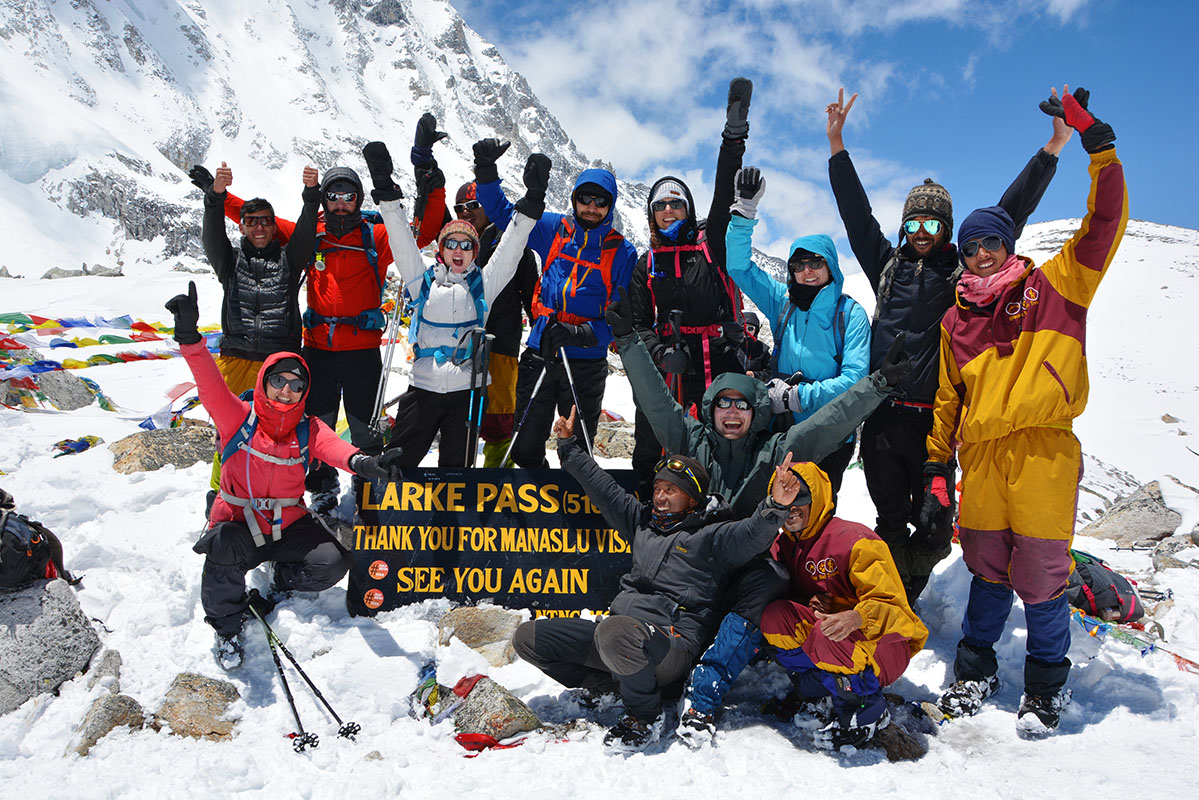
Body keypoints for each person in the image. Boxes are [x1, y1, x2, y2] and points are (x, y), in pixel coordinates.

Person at [604, 291, 909, 743]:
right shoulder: (691, 440)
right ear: (710, 409)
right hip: (696, 568)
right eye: (723, 404)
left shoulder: (775, 451)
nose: (732, 413)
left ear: (755, 411)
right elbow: (655, 401)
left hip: (745, 565)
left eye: (742, 405)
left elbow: (828, 424)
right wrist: (629, 342)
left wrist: (878, 385)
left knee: (769, 578)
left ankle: (706, 691)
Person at [925, 87, 1125, 736]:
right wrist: (936, 467)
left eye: (989, 243)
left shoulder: (1056, 285)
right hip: (982, 462)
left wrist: (1096, 146)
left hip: (1042, 453)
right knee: (985, 573)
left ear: (1007, 244)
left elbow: (1103, 224)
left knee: (1040, 580)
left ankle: (1043, 689)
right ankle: (973, 673)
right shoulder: (955, 319)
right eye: (970, 247)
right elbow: (947, 401)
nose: (979, 254)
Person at [825, 87, 1071, 604]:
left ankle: (911, 577)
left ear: (945, 228)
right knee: (889, 517)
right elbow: (854, 215)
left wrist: (1051, 150)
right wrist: (837, 146)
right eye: (912, 222)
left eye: (931, 223)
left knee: (936, 526)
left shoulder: (961, 272)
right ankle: (895, 601)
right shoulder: (886, 265)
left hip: (937, 423)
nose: (920, 231)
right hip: (885, 416)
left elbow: (1011, 211)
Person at [512, 408, 806, 751]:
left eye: (671, 491)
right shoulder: (642, 523)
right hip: (622, 639)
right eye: (658, 488)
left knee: (614, 631)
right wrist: (568, 447)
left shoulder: (713, 538)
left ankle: (643, 715)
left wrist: (775, 506)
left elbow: (753, 534)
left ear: (693, 500)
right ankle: (613, 686)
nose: (660, 497)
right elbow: (602, 488)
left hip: (671, 647)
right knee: (528, 638)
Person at [165, 282, 404, 670]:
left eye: (297, 385)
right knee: (221, 548)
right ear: (264, 381)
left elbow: (336, 450)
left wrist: (364, 464)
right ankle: (228, 627)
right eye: (279, 380)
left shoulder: (308, 428)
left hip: (286, 524)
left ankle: (281, 579)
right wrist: (191, 339)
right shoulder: (237, 418)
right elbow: (208, 383)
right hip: (239, 522)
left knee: (332, 561)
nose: (287, 390)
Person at [214, 122, 446, 512]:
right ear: (324, 199)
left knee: (364, 424)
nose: (341, 202)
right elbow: (258, 220)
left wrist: (433, 182)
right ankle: (321, 487)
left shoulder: (377, 236)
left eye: (348, 195)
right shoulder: (312, 234)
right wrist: (218, 195)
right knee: (316, 423)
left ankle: (366, 485)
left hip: (362, 351)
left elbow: (422, 232)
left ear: (358, 199)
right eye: (333, 195)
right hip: (317, 349)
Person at [362, 140, 550, 467]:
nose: (459, 250)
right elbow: (402, 241)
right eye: (452, 243)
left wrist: (532, 202)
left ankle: (452, 519)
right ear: (441, 249)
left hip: (466, 393)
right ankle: (375, 515)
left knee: (457, 473)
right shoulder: (422, 282)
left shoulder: (483, 285)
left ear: (475, 251)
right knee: (397, 463)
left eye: (467, 244)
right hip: (422, 389)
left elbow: (511, 247)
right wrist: (385, 191)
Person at [473, 141, 637, 468]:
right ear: (574, 199)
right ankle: (541, 502)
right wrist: (486, 172)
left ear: (611, 205)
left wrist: (581, 333)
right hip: (540, 351)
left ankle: (570, 509)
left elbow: (623, 317)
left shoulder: (622, 252)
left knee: (578, 449)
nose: (591, 207)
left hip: (586, 362)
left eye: (600, 201)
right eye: (584, 199)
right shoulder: (554, 230)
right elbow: (506, 217)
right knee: (523, 445)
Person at [627, 77, 752, 498]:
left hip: (716, 362)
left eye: (675, 202)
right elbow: (638, 322)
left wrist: (733, 137)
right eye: (659, 204)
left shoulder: (709, 243)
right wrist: (662, 353)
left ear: (688, 208)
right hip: (668, 365)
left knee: (716, 443)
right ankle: (649, 519)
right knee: (652, 439)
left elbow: (724, 192)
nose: (667, 211)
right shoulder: (646, 264)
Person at [760, 460, 927, 750]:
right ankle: (818, 691)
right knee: (775, 617)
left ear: (819, 500)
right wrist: (805, 602)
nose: (793, 509)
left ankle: (865, 716)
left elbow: (895, 609)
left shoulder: (854, 540)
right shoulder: (782, 545)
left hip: (884, 647)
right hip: (831, 646)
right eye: (786, 500)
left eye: (802, 499)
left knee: (828, 631)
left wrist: (856, 616)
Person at [724, 167, 871, 495]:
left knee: (817, 513)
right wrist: (745, 212)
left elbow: (856, 380)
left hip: (831, 435)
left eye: (815, 263)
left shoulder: (850, 314)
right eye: (798, 265)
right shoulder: (782, 300)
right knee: (776, 512)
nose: (807, 271)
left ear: (830, 266)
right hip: (783, 429)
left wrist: (796, 396)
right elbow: (738, 267)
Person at [195, 162, 321, 510]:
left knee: (280, 434)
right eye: (252, 221)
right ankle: (220, 495)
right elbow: (211, 235)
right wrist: (216, 195)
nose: (260, 227)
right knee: (229, 432)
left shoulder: (289, 259)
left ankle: (280, 497)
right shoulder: (228, 261)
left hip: (277, 361)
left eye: (266, 220)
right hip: (236, 357)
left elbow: (307, 233)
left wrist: (311, 196)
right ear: (243, 226)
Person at [448, 180, 540, 467]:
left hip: (502, 344)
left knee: (499, 417)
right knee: (459, 415)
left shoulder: (512, 243)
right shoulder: (454, 244)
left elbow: (531, 293)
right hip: (460, 346)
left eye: (473, 206)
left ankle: (495, 482)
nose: (466, 212)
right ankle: (457, 479)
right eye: (460, 208)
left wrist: (539, 337)